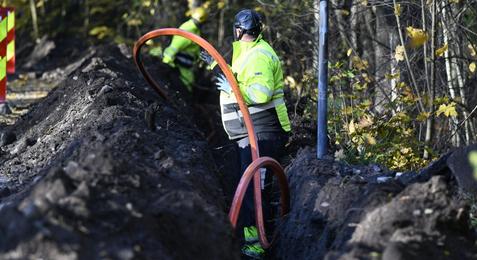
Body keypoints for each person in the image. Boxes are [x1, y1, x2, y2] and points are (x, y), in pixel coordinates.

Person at [201, 9, 291, 259]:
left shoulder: (260, 55)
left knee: (254, 188)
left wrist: (233, 87)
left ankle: (257, 245)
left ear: (238, 30)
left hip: (262, 131)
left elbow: (259, 93)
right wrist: (217, 66)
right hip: (249, 132)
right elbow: (239, 79)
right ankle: (251, 237)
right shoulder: (248, 53)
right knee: (249, 185)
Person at [162, 7, 207, 92]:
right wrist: (167, 63)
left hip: (187, 66)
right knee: (184, 88)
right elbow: (174, 47)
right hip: (181, 66)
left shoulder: (195, 29)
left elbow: (194, 47)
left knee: (188, 85)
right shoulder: (188, 30)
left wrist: (200, 58)